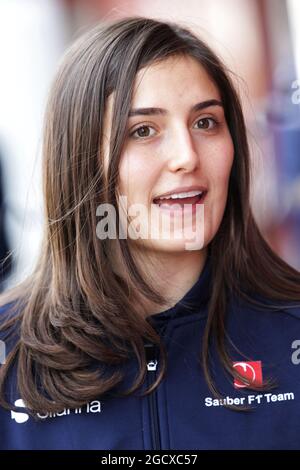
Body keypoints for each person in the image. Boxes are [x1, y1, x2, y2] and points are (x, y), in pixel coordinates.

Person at [0, 16, 300, 451]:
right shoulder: (10, 355)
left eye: (206, 123)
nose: (186, 156)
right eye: (143, 130)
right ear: (81, 159)